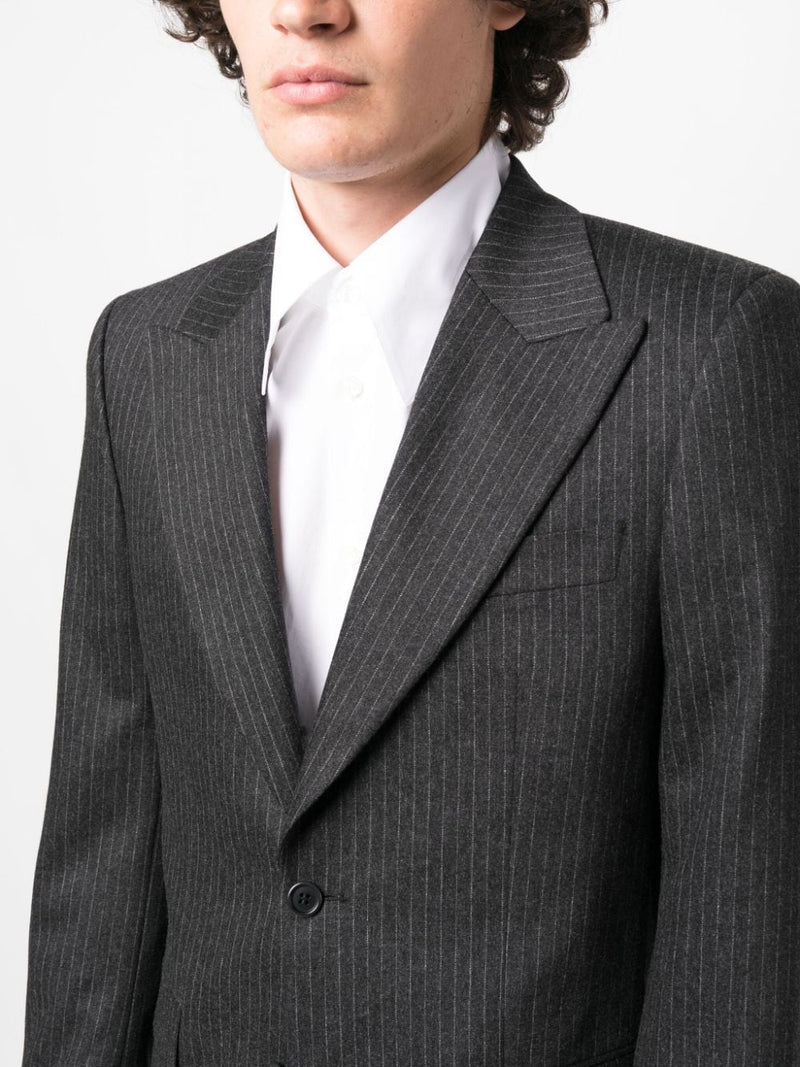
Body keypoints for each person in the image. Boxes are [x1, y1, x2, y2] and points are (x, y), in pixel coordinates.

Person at [22, 0, 800, 1062]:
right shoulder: (147, 353)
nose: (305, 12)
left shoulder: (709, 346)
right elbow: (101, 859)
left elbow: (748, 899)